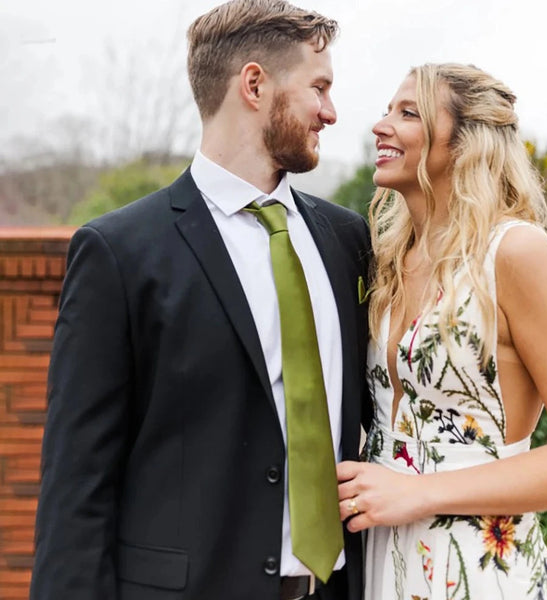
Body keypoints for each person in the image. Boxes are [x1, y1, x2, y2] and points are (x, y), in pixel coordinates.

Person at [30, 1, 371, 599]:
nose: (332, 112)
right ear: (255, 84)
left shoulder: (346, 240)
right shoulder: (119, 251)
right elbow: (76, 482)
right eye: (318, 87)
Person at [336, 62, 547, 599]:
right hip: (384, 559)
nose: (380, 126)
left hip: (480, 568)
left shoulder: (516, 253)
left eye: (407, 113)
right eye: (387, 110)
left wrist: (420, 492)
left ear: (466, 142)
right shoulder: (388, 257)